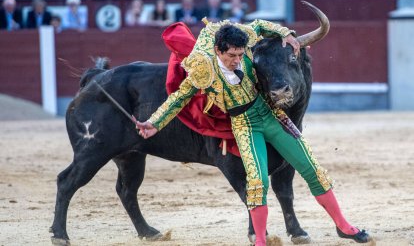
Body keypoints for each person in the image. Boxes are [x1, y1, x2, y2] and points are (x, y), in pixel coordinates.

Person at [135, 19, 371, 245]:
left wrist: (285, 33)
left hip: (269, 115)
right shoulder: (201, 68)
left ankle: (343, 226)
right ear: (218, 51)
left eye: (241, 55)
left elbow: (259, 24)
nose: (237, 60)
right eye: (232, 56)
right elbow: (178, 97)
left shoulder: (244, 41)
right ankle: (260, 241)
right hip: (245, 125)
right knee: (257, 183)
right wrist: (154, 123)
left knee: (313, 170)